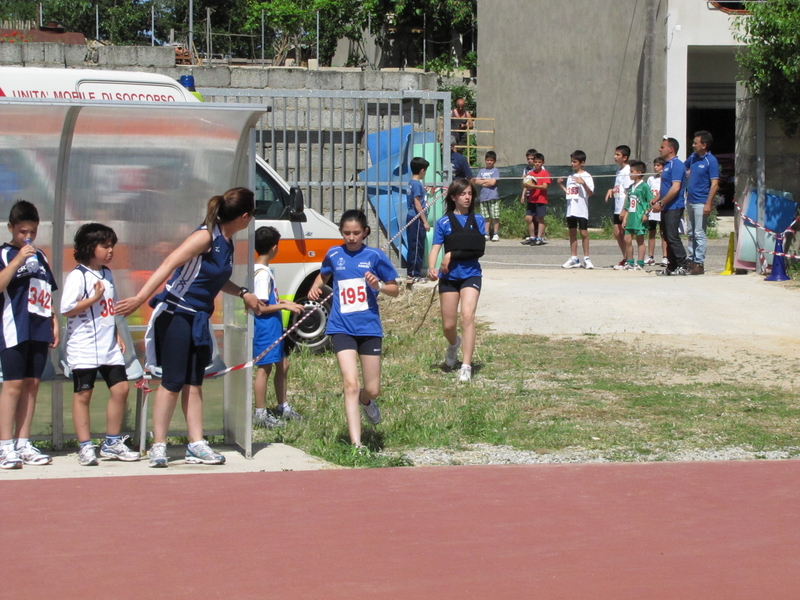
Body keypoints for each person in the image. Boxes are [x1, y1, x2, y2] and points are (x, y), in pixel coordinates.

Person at [117, 188, 262, 468]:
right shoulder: (206, 236)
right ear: (244, 216)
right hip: (176, 314)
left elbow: (215, 280)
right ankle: (158, 445)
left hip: (198, 318)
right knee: (171, 382)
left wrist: (244, 292)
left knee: (194, 383)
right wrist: (140, 297)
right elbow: (170, 262)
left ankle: (196, 444)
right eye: (252, 214)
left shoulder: (227, 242)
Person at [307, 210, 399, 450]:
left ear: (365, 232)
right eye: (346, 233)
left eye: (356, 233)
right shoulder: (334, 254)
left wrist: (377, 285)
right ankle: (356, 445)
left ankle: (366, 401)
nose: (351, 237)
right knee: (350, 383)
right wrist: (316, 287)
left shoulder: (375, 256)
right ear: (341, 232)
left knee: (372, 388)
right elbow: (323, 275)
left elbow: (394, 288)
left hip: (369, 328)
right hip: (341, 327)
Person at [61, 223, 139, 466]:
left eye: (111, 246)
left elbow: (110, 307)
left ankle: (112, 442)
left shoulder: (107, 273)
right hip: (84, 346)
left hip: (108, 346)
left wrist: (116, 332)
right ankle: (85, 446)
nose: (110, 251)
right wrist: (92, 298)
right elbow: (67, 309)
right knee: (83, 393)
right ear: (89, 247)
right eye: (104, 246)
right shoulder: (78, 276)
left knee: (121, 389)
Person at [0, 200, 58, 469]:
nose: (28, 237)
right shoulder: (5, 253)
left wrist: (54, 320)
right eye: (23, 231)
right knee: (12, 385)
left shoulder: (41, 256)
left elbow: (46, 289)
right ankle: (5, 446)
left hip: (39, 326)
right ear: (11, 228)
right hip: (14, 326)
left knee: (32, 385)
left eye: (32, 231)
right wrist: (18, 259)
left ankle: (24, 443)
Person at [427, 179, 486, 383]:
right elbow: (435, 246)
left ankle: (466, 366)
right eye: (463, 194)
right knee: (448, 326)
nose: (467, 197)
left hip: (471, 274)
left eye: (470, 193)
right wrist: (432, 266)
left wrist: (451, 254)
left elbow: (477, 249)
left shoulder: (478, 220)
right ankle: (454, 345)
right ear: (453, 197)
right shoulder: (443, 222)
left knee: (467, 317)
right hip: (449, 278)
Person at [252, 226, 304, 429]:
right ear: (275, 247)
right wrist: (282, 305)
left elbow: (269, 298)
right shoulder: (261, 273)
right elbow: (260, 306)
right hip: (265, 327)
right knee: (264, 368)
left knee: (283, 365)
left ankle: (283, 406)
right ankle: (260, 413)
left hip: (273, 326)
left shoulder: (262, 270)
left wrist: (285, 303)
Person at [684, 130, 720, 275]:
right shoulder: (693, 158)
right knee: (691, 232)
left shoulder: (710, 161)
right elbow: (683, 167)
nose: (693, 145)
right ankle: (691, 259)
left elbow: (715, 184)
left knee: (699, 232)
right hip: (690, 200)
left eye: (695, 143)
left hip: (701, 201)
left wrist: (708, 203)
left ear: (704, 145)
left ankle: (699, 262)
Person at [650, 137, 688, 276]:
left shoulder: (677, 165)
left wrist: (662, 203)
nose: (660, 149)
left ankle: (683, 264)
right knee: (666, 236)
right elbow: (665, 187)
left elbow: (675, 188)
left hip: (674, 206)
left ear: (670, 149)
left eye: (662, 147)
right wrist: (657, 198)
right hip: (666, 207)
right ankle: (671, 266)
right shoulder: (667, 165)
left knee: (672, 236)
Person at [558, 150, 595, 269]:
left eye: (575, 162)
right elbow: (569, 193)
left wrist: (583, 183)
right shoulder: (570, 177)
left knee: (583, 232)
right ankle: (574, 258)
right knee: (572, 232)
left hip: (582, 209)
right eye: (572, 161)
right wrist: (561, 186)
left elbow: (590, 193)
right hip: (571, 209)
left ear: (582, 163)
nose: (572, 164)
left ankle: (587, 258)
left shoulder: (587, 176)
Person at [617, 161, 652, 270]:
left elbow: (651, 201)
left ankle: (640, 262)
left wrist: (646, 213)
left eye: (632, 172)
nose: (630, 174)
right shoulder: (631, 187)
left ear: (639, 172)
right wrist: (625, 218)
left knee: (640, 240)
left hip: (639, 217)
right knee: (627, 239)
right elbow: (628, 205)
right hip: (631, 217)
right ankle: (630, 261)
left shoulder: (644, 186)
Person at [405, 156, 431, 283]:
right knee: (416, 247)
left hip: (412, 217)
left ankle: (414, 272)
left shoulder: (412, 183)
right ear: (422, 170)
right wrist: (425, 221)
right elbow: (417, 204)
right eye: (425, 171)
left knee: (415, 245)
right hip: (416, 218)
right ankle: (413, 274)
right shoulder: (417, 184)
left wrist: (423, 191)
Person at [605, 145, 632, 267]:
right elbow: (619, 188)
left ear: (625, 157)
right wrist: (611, 190)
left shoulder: (628, 171)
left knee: (625, 233)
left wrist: (624, 210)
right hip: (617, 206)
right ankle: (625, 257)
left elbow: (628, 192)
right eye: (615, 154)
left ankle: (630, 259)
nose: (615, 157)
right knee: (617, 232)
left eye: (618, 155)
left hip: (623, 207)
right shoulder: (618, 171)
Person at [521, 152, 551, 246]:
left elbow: (544, 186)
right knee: (528, 218)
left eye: (539, 162)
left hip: (541, 199)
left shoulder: (545, 173)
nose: (537, 164)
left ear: (543, 163)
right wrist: (524, 188)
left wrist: (533, 186)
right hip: (532, 199)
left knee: (540, 218)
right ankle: (532, 237)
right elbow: (526, 185)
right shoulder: (530, 173)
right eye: (536, 162)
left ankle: (539, 237)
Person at [646, 157, 668, 267]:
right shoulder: (651, 179)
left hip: (662, 209)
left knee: (663, 233)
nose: (656, 167)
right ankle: (650, 256)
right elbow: (648, 194)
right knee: (651, 233)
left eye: (658, 165)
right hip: (652, 210)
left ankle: (665, 256)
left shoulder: (665, 179)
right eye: (655, 165)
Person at [474, 150, 501, 242]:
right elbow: (476, 181)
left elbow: (493, 182)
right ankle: (486, 233)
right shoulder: (481, 170)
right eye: (487, 160)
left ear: (494, 161)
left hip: (493, 196)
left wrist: (483, 182)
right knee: (485, 217)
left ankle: (496, 233)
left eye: (491, 160)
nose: (489, 162)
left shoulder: (496, 171)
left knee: (495, 216)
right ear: (485, 160)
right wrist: (487, 182)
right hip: (483, 197)